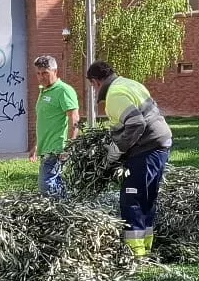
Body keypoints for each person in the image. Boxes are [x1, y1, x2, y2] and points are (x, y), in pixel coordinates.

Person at [87, 60, 172, 259]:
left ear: (96, 81)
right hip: (161, 144)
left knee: (131, 199)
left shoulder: (115, 95)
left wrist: (118, 148)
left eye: (92, 85)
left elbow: (135, 124)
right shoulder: (131, 84)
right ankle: (146, 248)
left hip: (146, 149)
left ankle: (135, 254)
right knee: (147, 198)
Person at [30, 55, 81, 197]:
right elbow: (43, 121)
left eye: (45, 73)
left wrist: (70, 145)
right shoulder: (44, 91)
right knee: (54, 184)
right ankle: (67, 211)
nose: (41, 77)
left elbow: (75, 118)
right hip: (45, 147)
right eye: (38, 74)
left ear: (55, 72)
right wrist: (36, 145)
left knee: (46, 185)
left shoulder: (64, 90)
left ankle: (59, 213)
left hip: (57, 148)